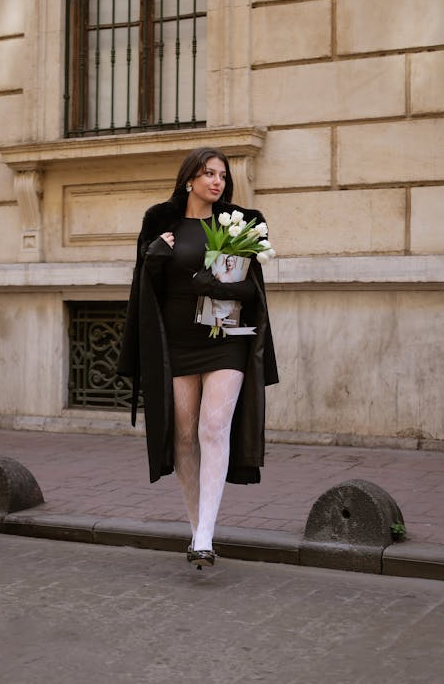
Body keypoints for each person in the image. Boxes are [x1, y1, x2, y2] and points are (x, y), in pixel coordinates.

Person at [117, 147, 278, 569]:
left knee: (213, 426)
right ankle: (196, 529)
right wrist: (152, 260)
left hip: (227, 340)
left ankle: (206, 535)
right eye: (208, 173)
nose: (217, 181)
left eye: (222, 175)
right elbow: (146, 289)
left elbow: (253, 292)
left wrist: (219, 287)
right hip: (176, 344)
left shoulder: (244, 223)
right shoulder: (160, 222)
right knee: (184, 436)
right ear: (189, 178)